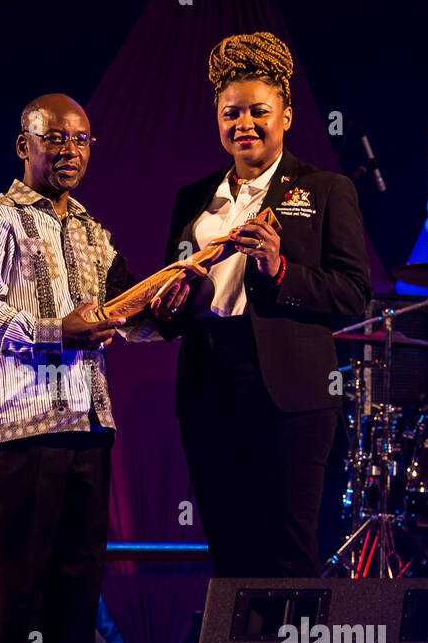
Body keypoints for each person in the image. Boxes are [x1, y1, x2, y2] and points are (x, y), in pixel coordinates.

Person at [0, 93, 161, 643]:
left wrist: (170, 304)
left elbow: (125, 318)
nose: (69, 151)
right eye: (54, 139)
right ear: (24, 145)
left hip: (87, 423)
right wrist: (53, 330)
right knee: (20, 586)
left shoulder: (96, 232)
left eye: (81, 140)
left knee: (76, 587)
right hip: (20, 428)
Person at [153, 32, 371, 578]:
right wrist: (167, 305)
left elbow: (352, 293)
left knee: (289, 551)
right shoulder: (193, 197)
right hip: (207, 381)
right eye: (232, 113)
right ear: (217, 119)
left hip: (290, 390)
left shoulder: (324, 189)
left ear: (287, 115)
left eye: (259, 111)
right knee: (229, 551)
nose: (244, 124)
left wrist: (280, 272)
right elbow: (176, 295)